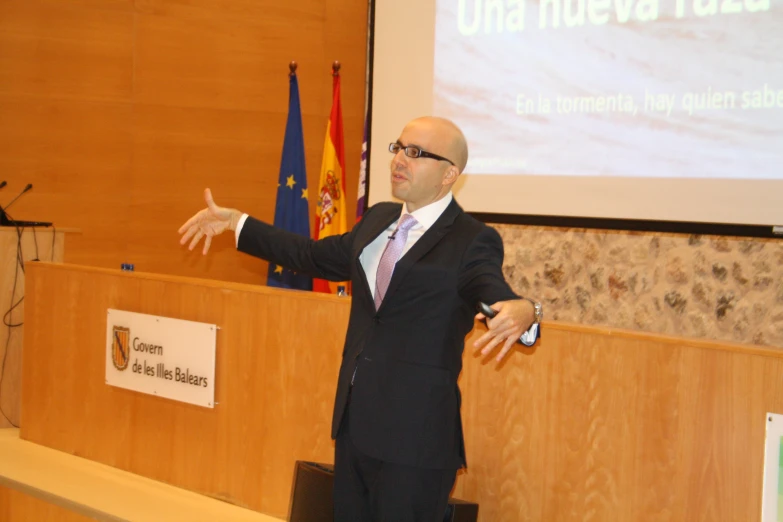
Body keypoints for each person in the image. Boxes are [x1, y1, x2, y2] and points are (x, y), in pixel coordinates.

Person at [178, 116, 541, 521]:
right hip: (356, 426)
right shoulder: (379, 218)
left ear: (449, 174)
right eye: (399, 148)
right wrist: (236, 223)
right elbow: (312, 255)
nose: (399, 160)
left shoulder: (471, 239)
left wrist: (526, 312)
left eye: (416, 153)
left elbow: (494, 290)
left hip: (415, 443)